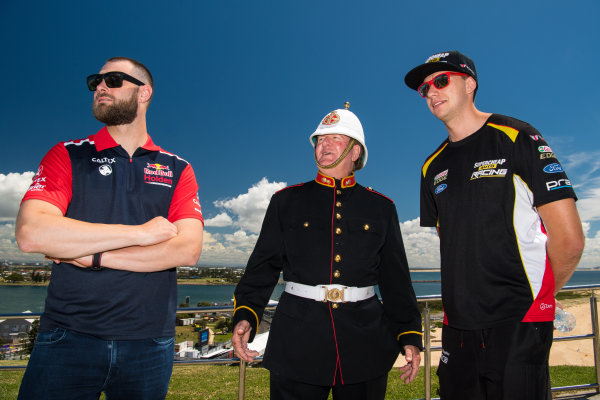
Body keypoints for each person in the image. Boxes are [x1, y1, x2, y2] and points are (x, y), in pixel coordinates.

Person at [15, 57, 204, 400]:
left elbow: (186, 250)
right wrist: (140, 234)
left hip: (150, 343)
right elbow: (32, 233)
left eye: (113, 80)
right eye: (95, 82)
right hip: (68, 337)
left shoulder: (178, 169)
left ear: (144, 92)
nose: (100, 87)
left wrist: (93, 256)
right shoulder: (67, 155)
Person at [404, 51, 585, 400]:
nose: (431, 91)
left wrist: (540, 298)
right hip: (457, 328)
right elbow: (452, 242)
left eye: (441, 81)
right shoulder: (431, 167)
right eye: (424, 88)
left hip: (518, 323)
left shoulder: (517, 136)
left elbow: (570, 241)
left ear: (470, 84)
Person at [231, 103, 423, 400]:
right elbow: (263, 266)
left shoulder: (382, 208)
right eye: (320, 139)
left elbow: (395, 278)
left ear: (355, 151)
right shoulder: (286, 201)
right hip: (298, 341)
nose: (324, 145)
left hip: (364, 343)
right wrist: (247, 315)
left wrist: (409, 334)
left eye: (335, 138)